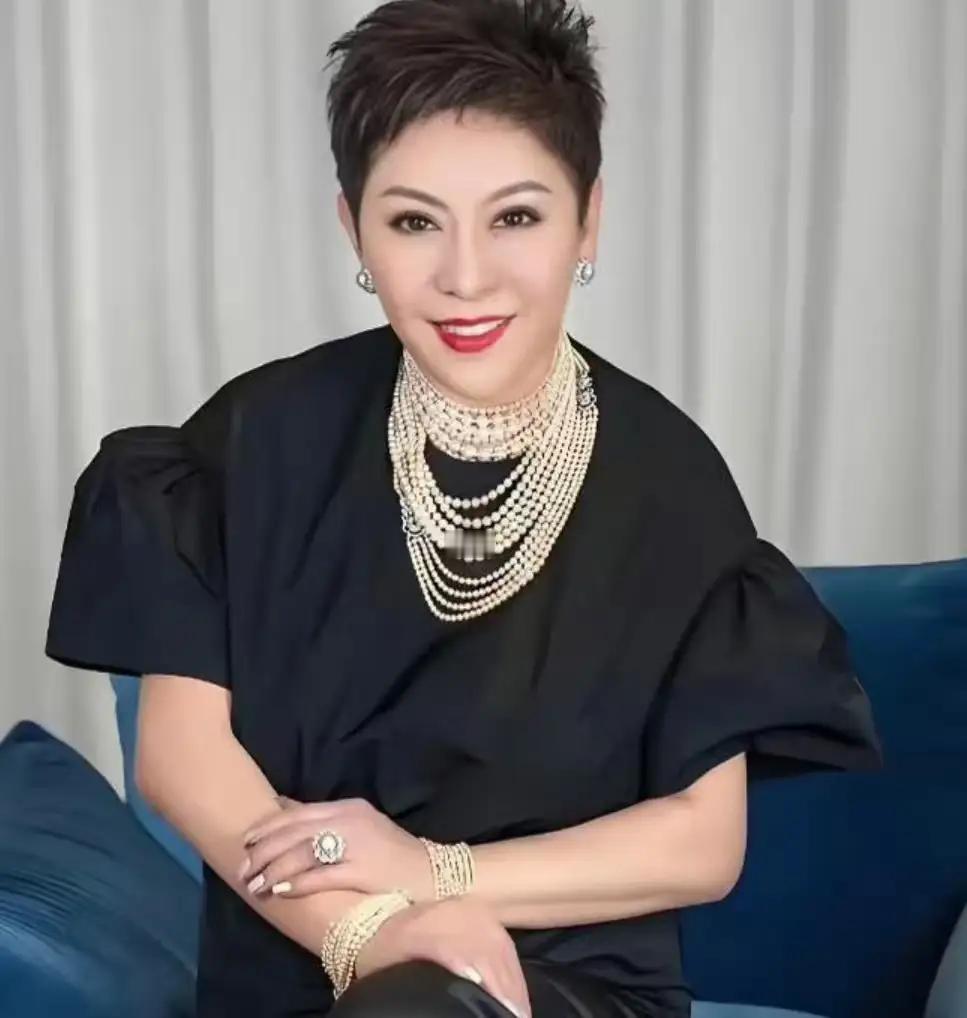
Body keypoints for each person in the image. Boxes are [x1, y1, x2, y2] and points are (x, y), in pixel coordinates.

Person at [44, 1, 884, 1016]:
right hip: (303, 966)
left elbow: (701, 844)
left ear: (588, 219)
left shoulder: (671, 481)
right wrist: (370, 930)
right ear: (353, 226)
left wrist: (433, 874)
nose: (465, 277)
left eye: (515, 217)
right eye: (414, 222)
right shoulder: (252, 441)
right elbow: (181, 759)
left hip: (562, 987)